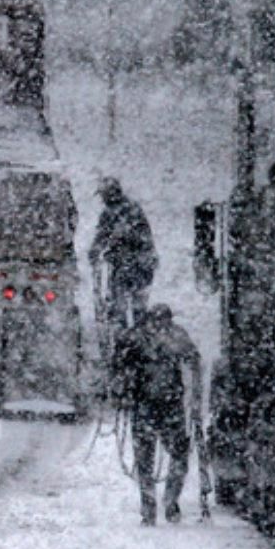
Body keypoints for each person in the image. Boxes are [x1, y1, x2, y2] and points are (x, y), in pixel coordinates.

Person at [111, 304, 205, 526]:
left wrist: (121, 392)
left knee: (148, 459)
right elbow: (194, 361)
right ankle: (164, 503)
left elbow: (119, 366)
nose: (161, 325)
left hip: (150, 406)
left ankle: (154, 506)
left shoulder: (137, 336)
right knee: (173, 455)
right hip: (164, 405)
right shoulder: (174, 336)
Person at [89, 177, 158, 339]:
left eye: (104, 195)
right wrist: (95, 250)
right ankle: (126, 340)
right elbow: (102, 236)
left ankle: (133, 342)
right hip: (131, 265)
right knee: (122, 306)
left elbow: (131, 237)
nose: (103, 200)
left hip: (136, 266)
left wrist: (109, 246)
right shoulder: (114, 212)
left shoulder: (129, 210)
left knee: (130, 307)